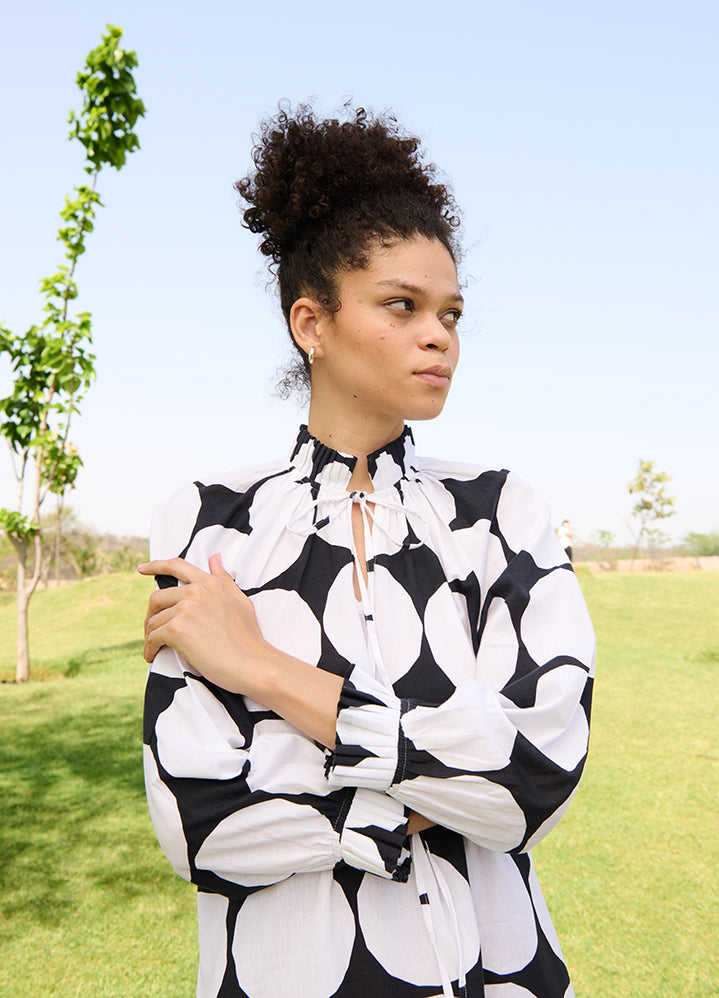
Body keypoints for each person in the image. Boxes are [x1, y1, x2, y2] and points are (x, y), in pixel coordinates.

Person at [140, 104, 596, 998]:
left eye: (451, 312)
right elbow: (199, 823)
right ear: (312, 323)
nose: (441, 337)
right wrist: (431, 787)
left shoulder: (503, 515)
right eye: (402, 305)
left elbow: (537, 774)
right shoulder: (207, 521)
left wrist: (263, 673)